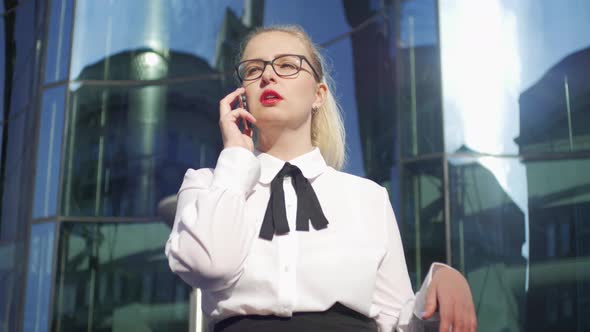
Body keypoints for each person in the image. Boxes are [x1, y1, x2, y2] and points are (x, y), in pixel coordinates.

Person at [166, 25, 477, 332]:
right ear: (241, 95)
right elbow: (209, 265)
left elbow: (397, 323)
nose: (268, 76)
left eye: (287, 64)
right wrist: (235, 156)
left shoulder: (367, 197)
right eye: (253, 69)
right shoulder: (208, 184)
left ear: (318, 94)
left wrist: (441, 283)